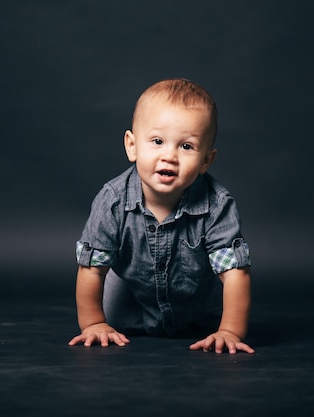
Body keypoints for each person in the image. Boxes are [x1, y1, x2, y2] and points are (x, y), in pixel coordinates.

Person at [68, 78, 254, 354]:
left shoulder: (217, 205)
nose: (169, 156)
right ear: (132, 146)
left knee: (222, 297)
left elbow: (235, 273)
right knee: (105, 285)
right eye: (157, 141)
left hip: (199, 311)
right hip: (128, 309)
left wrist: (229, 330)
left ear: (206, 160)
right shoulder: (113, 201)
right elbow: (92, 268)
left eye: (186, 146)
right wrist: (94, 323)